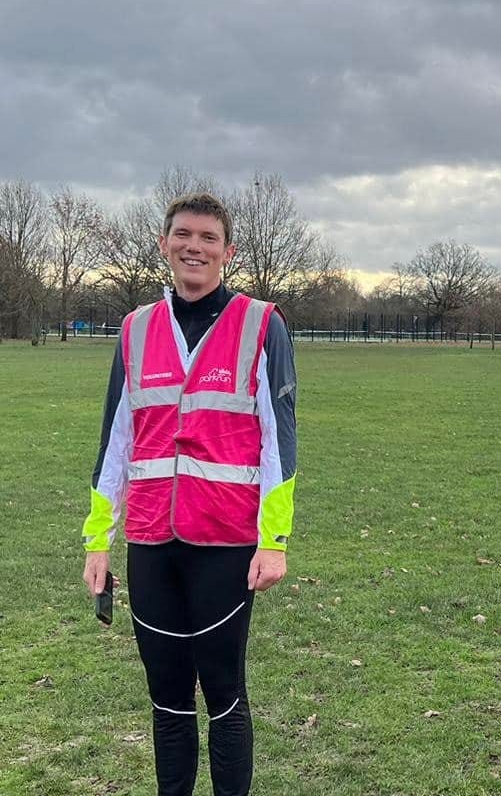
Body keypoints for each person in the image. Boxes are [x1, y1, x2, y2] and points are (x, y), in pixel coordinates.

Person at [81, 193, 298, 796]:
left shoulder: (262, 324)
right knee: (167, 698)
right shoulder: (136, 329)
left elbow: (280, 442)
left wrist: (274, 539)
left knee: (224, 695)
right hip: (151, 541)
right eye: (183, 235)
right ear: (164, 244)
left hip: (226, 542)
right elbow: (115, 441)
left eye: (208, 238)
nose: (193, 247)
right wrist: (97, 540)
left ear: (228, 252)